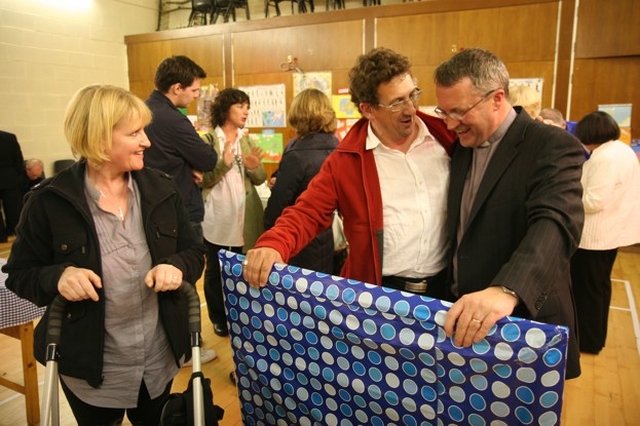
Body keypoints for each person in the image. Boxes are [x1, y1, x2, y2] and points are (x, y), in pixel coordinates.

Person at [1, 85, 206, 425]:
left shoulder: (161, 188)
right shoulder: (49, 201)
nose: (147, 142)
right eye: (135, 133)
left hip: (157, 357)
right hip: (90, 367)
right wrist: (59, 276)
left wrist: (176, 266)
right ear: (98, 139)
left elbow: (193, 252)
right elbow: (21, 273)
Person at [242, 47, 455, 296]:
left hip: (446, 291)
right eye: (397, 102)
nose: (410, 109)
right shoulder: (346, 162)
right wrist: (274, 244)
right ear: (368, 110)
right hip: (378, 294)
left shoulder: (447, 137)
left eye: (412, 95)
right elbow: (307, 212)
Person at [433, 48, 584, 379]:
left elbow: (556, 223)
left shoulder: (550, 144)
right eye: (443, 112)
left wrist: (507, 289)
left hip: (524, 322)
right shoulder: (462, 146)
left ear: (497, 98)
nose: (449, 123)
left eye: (458, 111)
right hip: (464, 320)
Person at [570, 111, 640, 354]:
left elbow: (593, 201)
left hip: (596, 236)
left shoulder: (606, 158)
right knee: (598, 287)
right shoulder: (621, 150)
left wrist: (567, 192)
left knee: (588, 290)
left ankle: (588, 340)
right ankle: (593, 338)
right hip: (610, 233)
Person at [200, 88, 266, 337]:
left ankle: (243, 316)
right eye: (240, 106)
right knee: (216, 272)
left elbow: (260, 180)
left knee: (244, 269)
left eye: (247, 107)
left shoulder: (246, 140)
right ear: (226, 109)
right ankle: (218, 317)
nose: (245, 112)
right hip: (217, 217)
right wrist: (223, 165)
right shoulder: (208, 140)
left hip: (245, 218)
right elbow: (202, 180)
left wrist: (254, 168)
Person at [264, 88, 340, 275]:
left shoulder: (297, 153)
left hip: (297, 239)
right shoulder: (338, 147)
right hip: (326, 236)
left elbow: (276, 209)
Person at [144, 55, 217, 244]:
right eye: (194, 90)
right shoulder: (173, 119)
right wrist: (193, 162)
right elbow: (208, 159)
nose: (196, 95)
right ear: (177, 88)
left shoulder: (142, 110)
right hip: (179, 209)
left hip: (150, 205)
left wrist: (186, 164)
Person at [0, 130, 25, 242]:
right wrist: (18, 176)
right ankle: (19, 236)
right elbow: (19, 159)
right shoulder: (10, 137)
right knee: (14, 210)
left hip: (10, 177)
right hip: (10, 178)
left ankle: (1, 237)